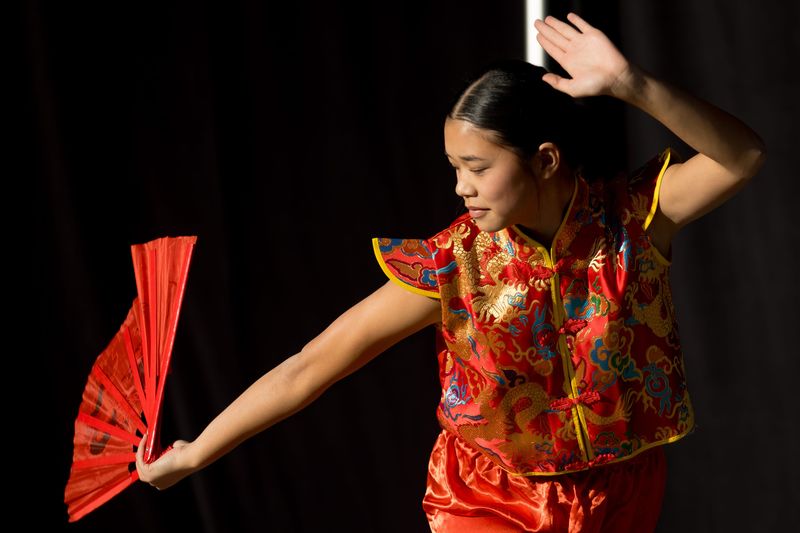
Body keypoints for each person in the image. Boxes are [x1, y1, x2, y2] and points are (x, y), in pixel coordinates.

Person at [136, 12, 765, 532]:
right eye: (453, 167)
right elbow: (314, 362)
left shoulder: (630, 223)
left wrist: (633, 84)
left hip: (621, 492)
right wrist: (195, 455)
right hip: (488, 498)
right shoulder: (452, 263)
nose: (461, 187)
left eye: (476, 167)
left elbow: (741, 157)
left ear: (544, 160)